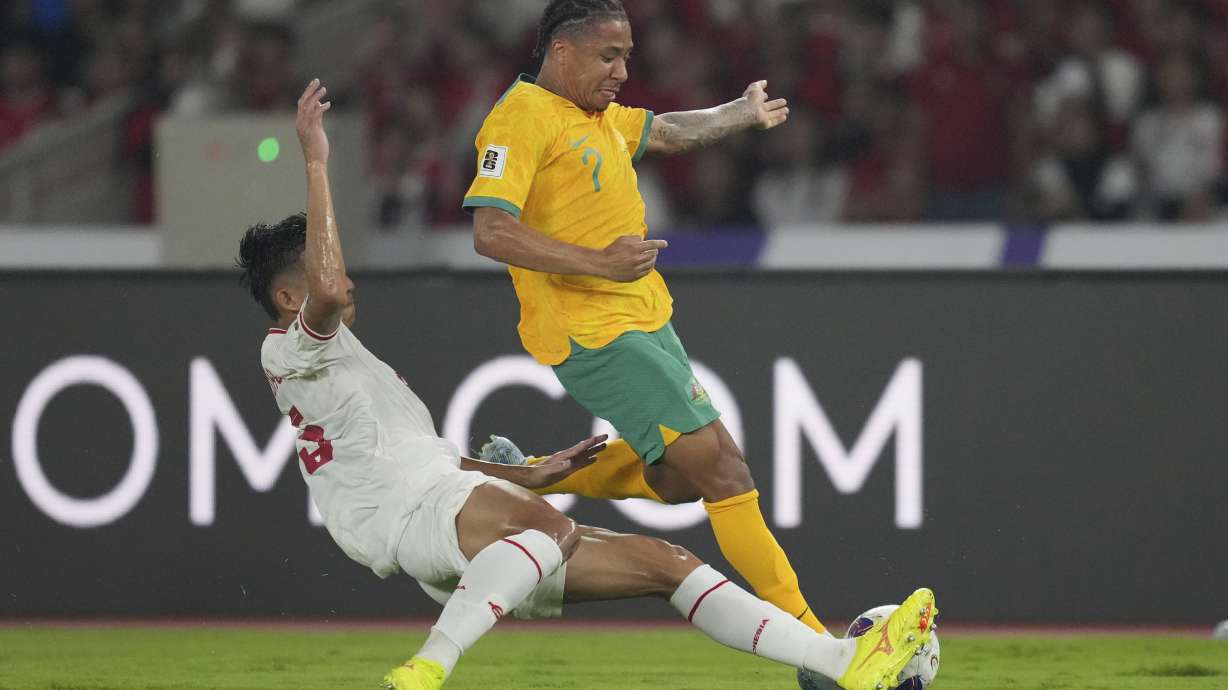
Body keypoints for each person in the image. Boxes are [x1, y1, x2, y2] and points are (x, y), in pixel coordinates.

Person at [237, 78, 937, 690]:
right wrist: (317, 160)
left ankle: (843, 663)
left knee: (668, 562)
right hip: (417, 516)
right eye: (324, 275)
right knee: (553, 527)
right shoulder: (293, 349)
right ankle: (427, 670)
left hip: (439, 511)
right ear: (290, 299)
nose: (344, 279)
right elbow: (330, 283)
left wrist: (534, 474)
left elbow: (413, 452)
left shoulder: (342, 365)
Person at [463, 0, 826, 635]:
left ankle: (536, 478)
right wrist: (598, 263)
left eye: (627, 56)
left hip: (645, 317)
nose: (623, 71)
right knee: (724, 469)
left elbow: (670, 131)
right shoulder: (518, 120)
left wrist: (739, 113)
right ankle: (816, 643)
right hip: (589, 330)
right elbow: (491, 231)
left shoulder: (594, 114)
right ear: (562, 51)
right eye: (610, 56)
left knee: (683, 481)